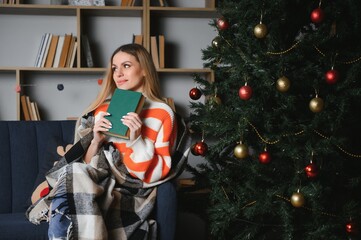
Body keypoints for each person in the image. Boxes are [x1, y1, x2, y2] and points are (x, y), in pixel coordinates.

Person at [27, 43, 185, 240]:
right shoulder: (102, 111)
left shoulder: (163, 113)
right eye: (114, 68)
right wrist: (96, 141)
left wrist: (136, 141)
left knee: (74, 181)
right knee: (73, 172)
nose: (118, 73)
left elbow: (156, 174)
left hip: (130, 189)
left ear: (144, 69)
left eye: (126, 66)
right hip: (94, 180)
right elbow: (85, 165)